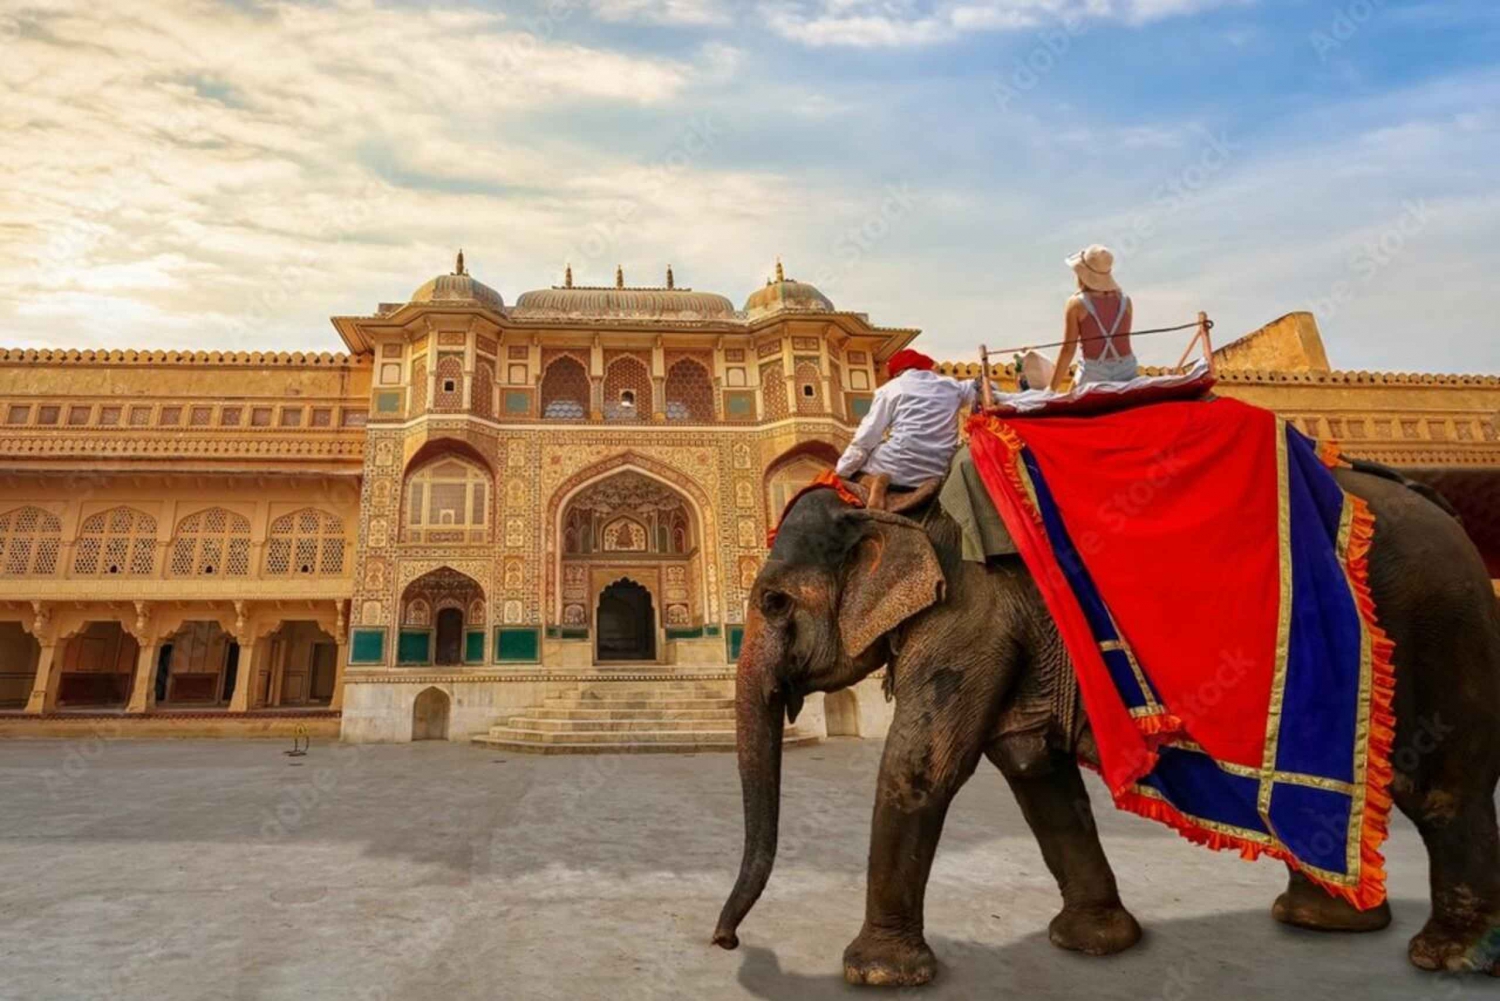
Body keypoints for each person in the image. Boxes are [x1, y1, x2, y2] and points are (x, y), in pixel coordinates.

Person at [835, 348, 977, 488]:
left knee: (856, 475)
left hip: (895, 468)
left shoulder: (890, 389)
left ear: (897, 373)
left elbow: (867, 437)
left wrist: (842, 472)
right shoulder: (952, 386)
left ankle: (875, 493)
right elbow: (984, 387)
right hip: (939, 470)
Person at [1050, 244, 1137, 392]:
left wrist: (1051, 389)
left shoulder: (1076, 303)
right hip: (1127, 371)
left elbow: (1068, 350)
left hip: (1094, 373)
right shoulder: (1125, 301)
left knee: (1072, 406)